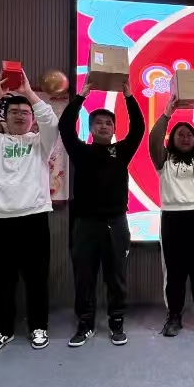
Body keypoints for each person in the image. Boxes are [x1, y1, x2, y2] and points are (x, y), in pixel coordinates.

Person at [0, 73, 59, 354]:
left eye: (25, 112)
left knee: (36, 278)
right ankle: (3, 330)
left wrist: (29, 93)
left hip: (34, 217)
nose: (20, 116)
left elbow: (51, 122)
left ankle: (39, 327)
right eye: (14, 112)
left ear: (32, 119)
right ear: (3, 118)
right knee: (1, 280)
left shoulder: (41, 143)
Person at [58, 79, 145, 347]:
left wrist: (129, 96)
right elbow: (65, 126)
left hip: (116, 222)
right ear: (91, 127)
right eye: (98, 123)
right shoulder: (81, 151)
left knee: (116, 276)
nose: (104, 126)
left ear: (114, 129)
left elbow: (139, 128)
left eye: (108, 123)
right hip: (85, 223)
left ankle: (116, 322)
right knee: (84, 276)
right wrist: (82, 94)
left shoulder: (121, 152)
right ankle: (85, 324)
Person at [149, 93, 194, 340]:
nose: (185, 137)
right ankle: (174, 317)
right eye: (180, 134)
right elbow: (153, 139)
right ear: (172, 138)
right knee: (175, 272)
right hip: (172, 219)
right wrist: (167, 113)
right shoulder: (164, 159)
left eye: (189, 134)